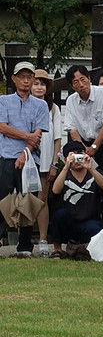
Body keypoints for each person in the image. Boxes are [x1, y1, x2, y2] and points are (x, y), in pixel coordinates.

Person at [0, 61, 49, 257]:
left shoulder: (41, 104)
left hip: (29, 160)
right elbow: (2, 127)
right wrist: (26, 136)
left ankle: (25, 246)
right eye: (22, 77)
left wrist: (24, 152)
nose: (26, 80)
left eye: (30, 77)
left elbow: (37, 135)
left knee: (28, 201)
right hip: (5, 156)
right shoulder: (3, 100)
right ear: (14, 79)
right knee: (2, 199)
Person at [62, 64, 103, 222]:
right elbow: (71, 128)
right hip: (83, 145)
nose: (81, 85)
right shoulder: (71, 101)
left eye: (83, 79)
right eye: (75, 82)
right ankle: (91, 225)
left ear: (88, 78)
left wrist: (94, 147)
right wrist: (82, 149)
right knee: (88, 186)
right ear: (71, 86)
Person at [49, 141, 103, 246]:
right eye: (72, 155)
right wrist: (66, 166)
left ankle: (87, 249)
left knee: (93, 228)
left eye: (79, 153)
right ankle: (57, 249)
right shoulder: (64, 175)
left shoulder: (95, 173)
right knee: (59, 216)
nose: (77, 158)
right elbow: (55, 191)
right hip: (69, 220)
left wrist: (91, 168)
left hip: (90, 220)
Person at [30, 69, 62, 257]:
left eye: (42, 84)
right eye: (36, 83)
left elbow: (57, 138)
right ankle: (23, 240)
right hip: (26, 160)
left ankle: (43, 239)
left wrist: (54, 163)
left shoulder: (53, 108)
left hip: (45, 160)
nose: (39, 87)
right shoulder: (24, 105)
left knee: (42, 200)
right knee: (25, 200)